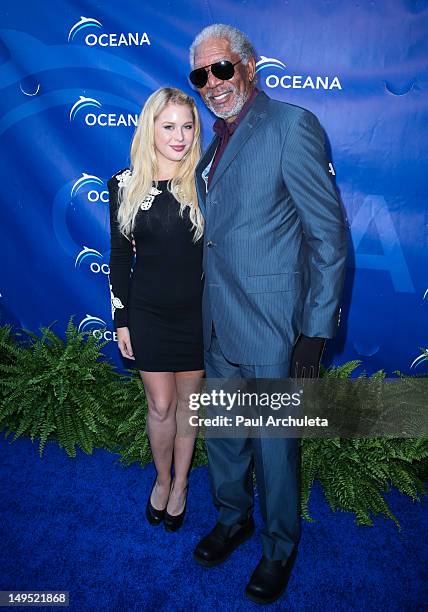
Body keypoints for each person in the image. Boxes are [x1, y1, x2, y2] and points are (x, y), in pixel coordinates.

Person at [188, 25, 348, 604]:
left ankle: (279, 548)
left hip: (273, 325)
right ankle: (233, 518)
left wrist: (313, 331)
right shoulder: (215, 143)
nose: (212, 83)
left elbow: (328, 237)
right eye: (200, 75)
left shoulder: (291, 127)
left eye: (221, 69)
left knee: (275, 447)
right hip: (217, 319)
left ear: (248, 67)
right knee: (225, 435)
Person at [107, 87, 205, 532]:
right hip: (147, 311)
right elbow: (120, 257)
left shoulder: (206, 180)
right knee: (161, 405)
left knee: (189, 406)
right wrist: (121, 319)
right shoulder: (124, 184)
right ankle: (161, 479)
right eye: (169, 126)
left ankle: (181, 484)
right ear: (150, 128)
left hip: (198, 314)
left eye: (187, 126)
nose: (179, 136)